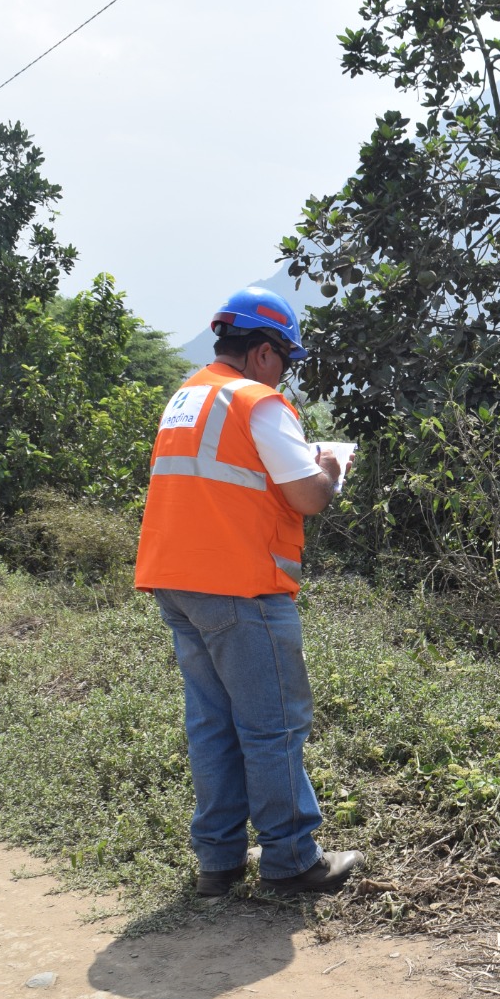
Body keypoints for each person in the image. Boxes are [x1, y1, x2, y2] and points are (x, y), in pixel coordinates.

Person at [134, 285, 363, 897]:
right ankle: (291, 862)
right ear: (264, 353)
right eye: (286, 359)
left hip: (177, 581)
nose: (285, 373)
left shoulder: (188, 397)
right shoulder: (259, 403)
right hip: (239, 584)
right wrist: (333, 466)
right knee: (273, 727)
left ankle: (219, 863)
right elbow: (309, 497)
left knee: (212, 722)